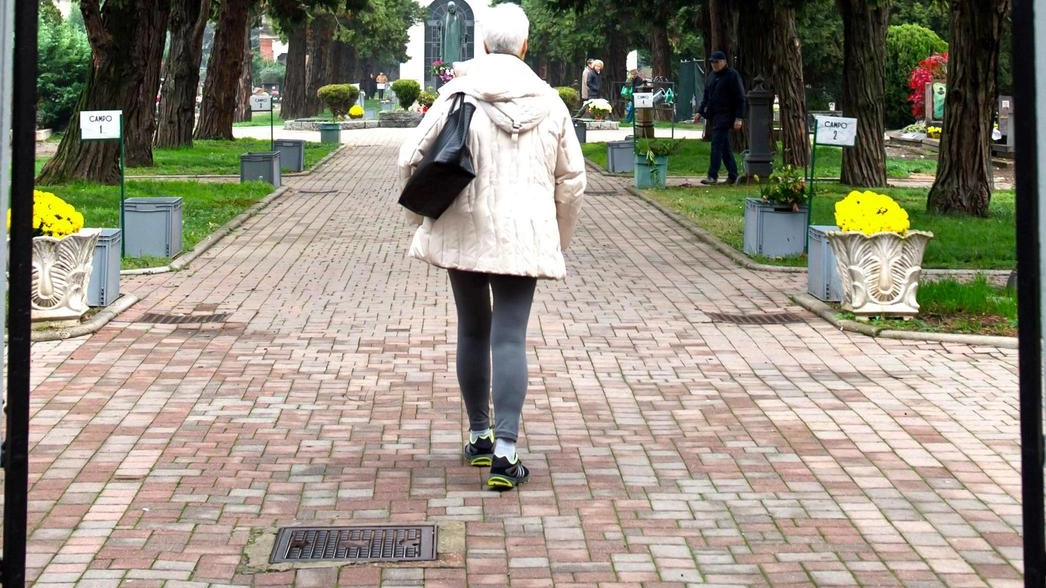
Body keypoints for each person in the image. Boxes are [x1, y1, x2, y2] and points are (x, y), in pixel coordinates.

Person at [398, 2, 586, 492]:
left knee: (472, 330)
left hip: (465, 227)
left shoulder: (458, 95)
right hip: (524, 233)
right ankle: (507, 453)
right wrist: (555, 237)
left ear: (482, 44)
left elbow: (410, 157)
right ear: (525, 46)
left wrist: (426, 214)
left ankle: (479, 436)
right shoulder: (551, 102)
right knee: (509, 336)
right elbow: (573, 182)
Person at [694, 50, 745, 185]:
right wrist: (700, 112)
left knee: (716, 145)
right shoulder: (711, 76)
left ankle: (712, 175)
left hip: (726, 115)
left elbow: (740, 98)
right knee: (724, 147)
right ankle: (733, 174)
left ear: (724, 62)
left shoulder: (732, 75)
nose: (714, 64)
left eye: (716, 62)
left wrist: (739, 117)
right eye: (712, 62)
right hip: (714, 115)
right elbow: (706, 96)